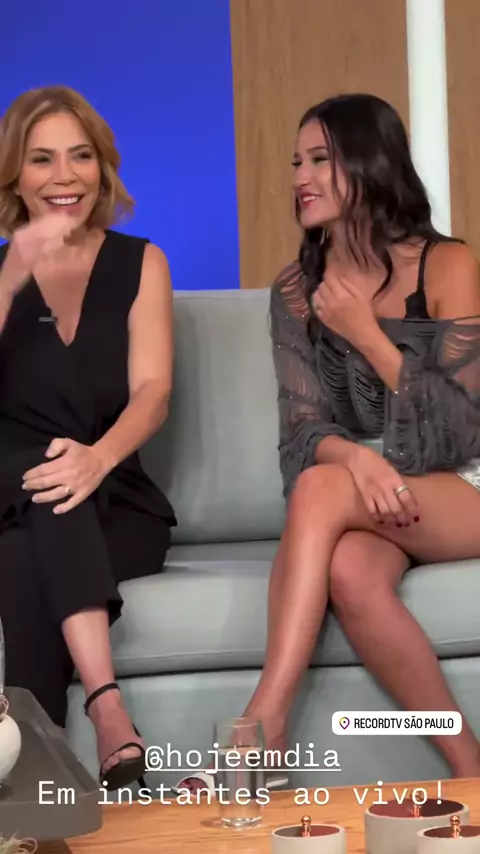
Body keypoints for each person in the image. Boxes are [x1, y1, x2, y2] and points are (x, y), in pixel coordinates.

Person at [176, 92, 480, 794]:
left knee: (323, 488)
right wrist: (357, 460)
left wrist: (367, 336)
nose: (300, 178)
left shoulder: (446, 264)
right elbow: (302, 435)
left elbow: (465, 425)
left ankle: (262, 727)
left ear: (369, 164)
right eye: (295, 162)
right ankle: (470, 770)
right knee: (348, 571)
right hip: (370, 490)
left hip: (464, 480)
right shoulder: (295, 290)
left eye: (320, 159)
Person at [0, 85, 177, 791]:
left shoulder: (142, 262)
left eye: (80, 156)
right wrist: (10, 278)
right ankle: (109, 713)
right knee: (45, 487)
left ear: (102, 169)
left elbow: (153, 391)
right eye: (41, 159)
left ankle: (27, 788)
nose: (64, 176)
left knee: (27, 545)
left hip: (117, 497)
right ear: (15, 176)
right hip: (11, 486)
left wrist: (98, 459)